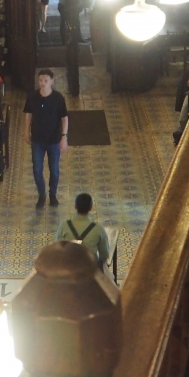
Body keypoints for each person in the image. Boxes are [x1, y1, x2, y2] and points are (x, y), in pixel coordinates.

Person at [24, 68, 68, 209]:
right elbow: (28, 115)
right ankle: (42, 194)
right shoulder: (32, 96)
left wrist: (64, 137)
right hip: (37, 140)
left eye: (46, 80)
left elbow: (64, 118)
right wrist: (26, 131)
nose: (42, 83)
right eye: (40, 80)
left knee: (54, 169)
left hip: (54, 140)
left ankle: (52, 194)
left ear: (52, 82)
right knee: (37, 169)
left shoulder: (58, 98)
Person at [55, 193, 111, 268]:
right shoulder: (98, 228)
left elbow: (56, 248)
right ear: (91, 208)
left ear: (75, 206)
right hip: (90, 268)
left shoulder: (64, 225)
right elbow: (105, 254)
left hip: (69, 268)